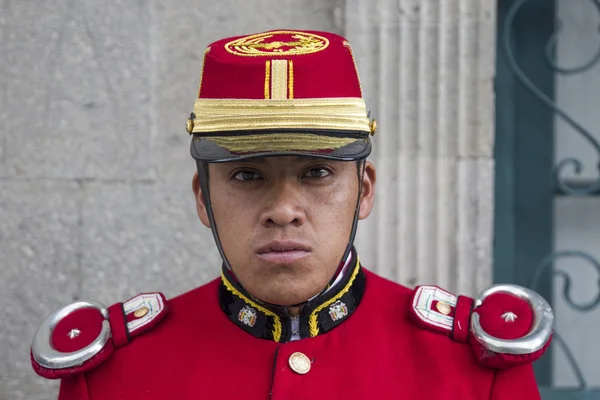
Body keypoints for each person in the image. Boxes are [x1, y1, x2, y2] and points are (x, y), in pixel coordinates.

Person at [31, 29, 554, 400]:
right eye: (246, 175)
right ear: (202, 198)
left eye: (317, 173)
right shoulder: (110, 375)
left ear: (364, 190)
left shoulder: (473, 369)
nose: (283, 210)